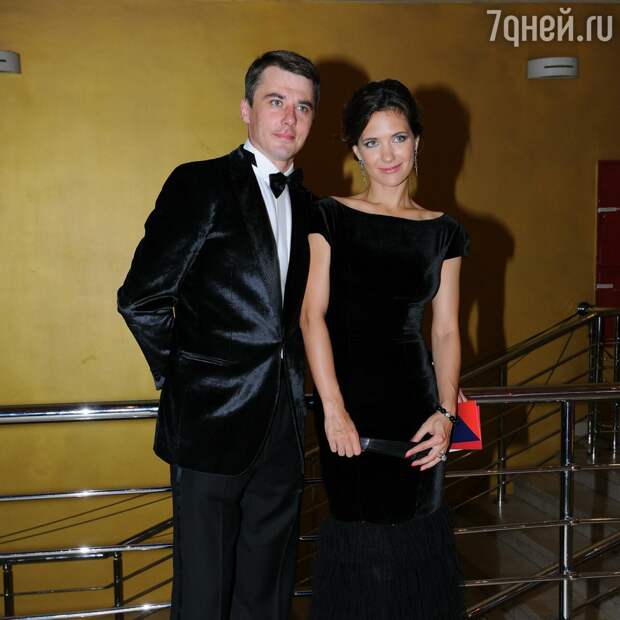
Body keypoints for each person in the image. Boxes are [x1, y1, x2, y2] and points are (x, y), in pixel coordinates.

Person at [117, 50, 319, 619]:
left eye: (303, 106)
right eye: (276, 101)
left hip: (283, 425)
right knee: (204, 596)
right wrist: (186, 380)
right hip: (207, 424)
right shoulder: (198, 183)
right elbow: (141, 298)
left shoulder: (313, 207)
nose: (289, 117)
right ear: (246, 109)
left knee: (269, 593)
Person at [300, 79, 467, 619]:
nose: (388, 154)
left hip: (418, 410)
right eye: (372, 142)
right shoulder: (329, 215)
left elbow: (445, 331)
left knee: (417, 551)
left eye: (398, 138)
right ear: (356, 150)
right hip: (348, 406)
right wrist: (333, 410)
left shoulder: (444, 232)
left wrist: (446, 413)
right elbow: (311, 317)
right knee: (362, 551)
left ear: (417, 141)